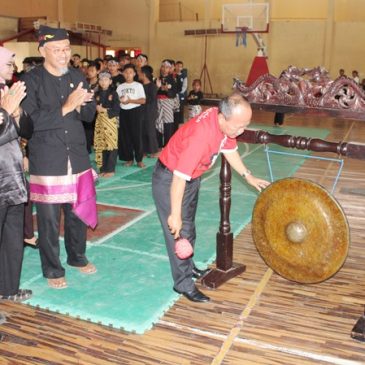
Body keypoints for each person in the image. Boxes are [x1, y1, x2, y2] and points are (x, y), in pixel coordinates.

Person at [152, 93, 270, 303]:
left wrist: (248, 176)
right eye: (238, 126)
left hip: (191, 178)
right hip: (170, 180)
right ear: (223, 118)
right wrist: (174, 215)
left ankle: (189, 267)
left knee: (189, 228)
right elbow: (178, 179)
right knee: (178, 233)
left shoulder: (223, 123)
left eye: (246, 125)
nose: (241, 131)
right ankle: (183, 284)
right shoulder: (201, 136)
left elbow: (230, 149)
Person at [21, 25, 97, 290]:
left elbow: (88, 118)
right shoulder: (31, 81)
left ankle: (77, 257)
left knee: (77, 214)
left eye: (67, 49)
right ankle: (53, 268)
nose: (64, 55)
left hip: (76, 155)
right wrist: (66, 107)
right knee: (49, 220)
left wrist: (87, 103)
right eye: (57, 50)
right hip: (48, 159)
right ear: (43, 51)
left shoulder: (76, 76)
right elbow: (27, 123)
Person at [0, 46, 32, 302]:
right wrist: (6, 112)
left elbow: (27, 130)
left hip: (12, 177)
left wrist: (18, 113)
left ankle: (8, 288)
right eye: (9, 63)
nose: (14, 67)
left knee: (12, 238)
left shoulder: (8, 93)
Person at [116, 63, 146, 167]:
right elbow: (116, 100)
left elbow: (143, 100)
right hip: (123, 112)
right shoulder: (120, 87)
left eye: (130, 72)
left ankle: (139, 159)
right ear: (123, 74)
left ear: (134, 74)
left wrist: (130, 101)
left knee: (137, 136)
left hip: (135, 112)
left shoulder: (138, 85)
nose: (128, 74)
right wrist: (120, 101)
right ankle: (128, 159)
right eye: (126, 72)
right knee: (125, 136)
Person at [94, 71, 120, 177]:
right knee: (101, 144)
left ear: (110, 81)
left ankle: (111, 170)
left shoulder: (113, 93)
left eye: (106, 80)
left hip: (110, 121)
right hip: (99, 121)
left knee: (111, 145)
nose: (103, 82)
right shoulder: (96, 94)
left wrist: (104, 110)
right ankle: (102, 168)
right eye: (101, 80)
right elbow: (94, 108)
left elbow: (117, 110)